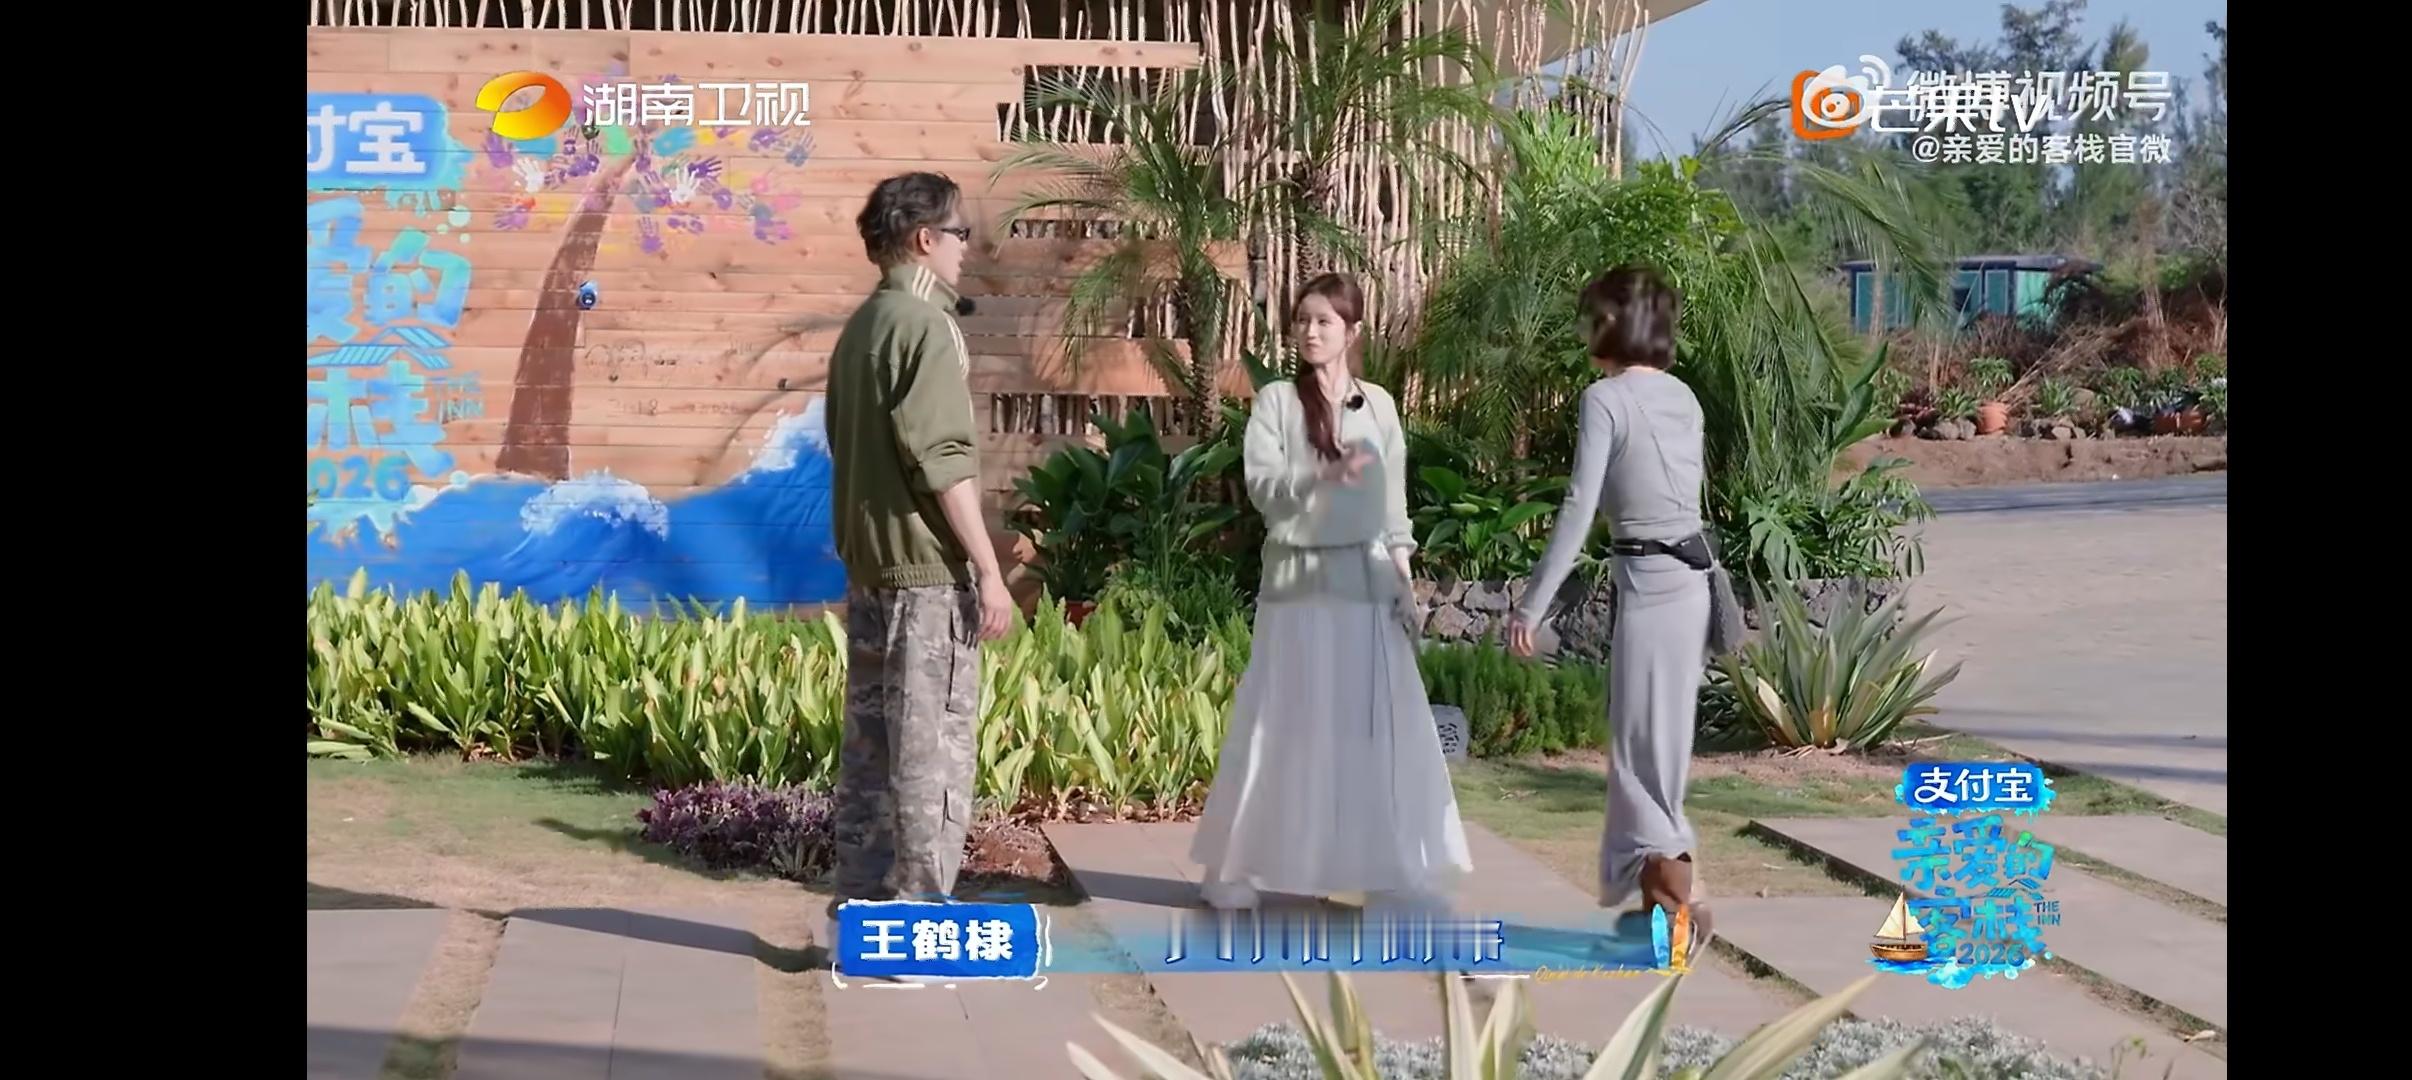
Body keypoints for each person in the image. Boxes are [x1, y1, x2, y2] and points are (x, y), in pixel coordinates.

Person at [1188, 273, 1474, 912]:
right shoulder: (1275, 403)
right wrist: (1325, 477)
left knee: (1375, 730)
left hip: (1366, 586)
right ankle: (1237, 869)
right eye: (1303, 320)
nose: (1311, 332)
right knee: (1280, 722)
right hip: (1298, 585)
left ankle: (1383, 866)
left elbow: (1393, 506)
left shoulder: (1379, 405)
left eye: (1325, 321)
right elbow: (1265, 491)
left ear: (1353, 332)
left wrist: (1404, 580)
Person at [1504, 265, 1715, 953]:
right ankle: (1668, 910)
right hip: (1691, 585)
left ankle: (1678, 914)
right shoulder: (1684, 396)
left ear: (1615, 324)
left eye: (1592, 316)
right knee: (1660, 756)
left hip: (1653, 588)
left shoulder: (1605, 400)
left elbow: (1579, 508)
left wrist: (1531, 606)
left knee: (1638, 759)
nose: (1584, 329)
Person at [823, 172, 1015, 932]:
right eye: (960, 234)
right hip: (926, 577)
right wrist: (990, 570)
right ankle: (917, 922)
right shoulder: (926, 326)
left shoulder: (863, 326)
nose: (968, 248)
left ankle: (861, 916)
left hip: (870, 571)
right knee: (929, 755)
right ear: (924, 239)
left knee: (871, 755)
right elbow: (942, 461)